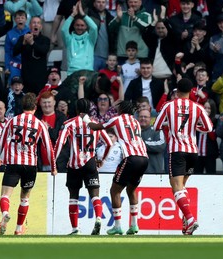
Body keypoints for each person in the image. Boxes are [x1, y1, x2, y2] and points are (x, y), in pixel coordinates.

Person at [153, 78, 213, 235]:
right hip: (193, 152)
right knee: (182, 186)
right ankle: (186, 225)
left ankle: (190, 218)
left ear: (176, 91)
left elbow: (156, 126)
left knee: (176, 186)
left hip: (177, 151)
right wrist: (194, 126)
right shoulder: (197, 107)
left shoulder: (169, 106)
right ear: (191, 91)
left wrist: (170, 125)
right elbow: (208, 127)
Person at [82, 100, 148, 235]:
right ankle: (134, 225)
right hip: (144, 158)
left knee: (114, 191)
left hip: (131, 158)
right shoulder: (135, 122)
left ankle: (118, 226)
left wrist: (86, 119)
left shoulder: (117, 119)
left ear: (122, 109)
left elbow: (96, 127)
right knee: (131, 189)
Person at [0, 93, 57, 236]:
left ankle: (5, 213)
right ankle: (18, 229)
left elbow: (1, 140)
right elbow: (48, 146)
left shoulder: (13, 121)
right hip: (30, 165)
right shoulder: (40, 123)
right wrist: (53, 167)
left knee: (5, 195)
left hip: (13, 163)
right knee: (25, 198)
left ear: (22, 106)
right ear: (35, 108)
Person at [54, 98, 113, 235]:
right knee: (95, 194)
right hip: (91, 163)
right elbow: (109, 142)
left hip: (74, 164)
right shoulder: (95, 123)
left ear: (76, 109)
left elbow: (60, 143)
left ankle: (75, 229)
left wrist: (53, 161)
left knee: (73, 196)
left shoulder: (69, 123)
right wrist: (102, 159)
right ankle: (98, 218)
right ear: (89, 109)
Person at [13, 16, 50, 95]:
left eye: (38, 23)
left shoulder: (45, 40)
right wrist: (23, 43)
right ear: (30, 26)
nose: (36, 25)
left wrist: (32, 43)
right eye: (34, 23)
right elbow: (14, 52)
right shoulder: (23, 38)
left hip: (40, 78)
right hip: (26, 78)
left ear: (41, 26)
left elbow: (44, 51)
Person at [35, 91, 69, 172]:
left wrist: (47, 130)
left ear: (54, 102)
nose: (47, 105)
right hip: (40, 163)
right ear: (40, 103)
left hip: (58, 163)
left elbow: (61, 139)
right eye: (44, 102)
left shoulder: (62, 118)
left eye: (49, 102)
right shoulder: (36, 118)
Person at [62, 0, 98, 75]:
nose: (79, 27)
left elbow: (94, 28)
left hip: (87, 72)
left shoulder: (90, 39)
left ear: (86, 27)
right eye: (77, 25)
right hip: (72, 73)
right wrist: (72, 15)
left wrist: (83, 15)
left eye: (82, 25)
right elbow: (63, 30)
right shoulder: (69, 39)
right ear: (74, 26)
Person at [88, 0, 116, 71]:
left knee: (104, 80)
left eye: (103, 2)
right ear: (94, 4)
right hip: (94, 55)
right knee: (92, 79)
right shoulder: (89, 16)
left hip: (107, 57)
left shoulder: (110, 18)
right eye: (98, 2)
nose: (101, 4)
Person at [4, 10, 29, 84]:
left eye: (22, 18)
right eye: (18, 18)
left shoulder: (30, 32)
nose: (20, 19)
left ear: (26, 20)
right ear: (15, 20)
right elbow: (7, 52)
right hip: (14, 65)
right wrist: (7, 67)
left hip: (27, 65)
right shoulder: (10, 33)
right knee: (14, 85)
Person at [194, 99, 219, 174]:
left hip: (210, 155)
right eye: (205, 108)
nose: (207, 110)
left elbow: (213, 137)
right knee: (197, 175)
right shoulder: (197, 120)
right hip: (197, 155)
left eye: (209, 108)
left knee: (211, 175)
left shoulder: (215, 121)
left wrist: (206, 122)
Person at [138, 108, 165, 174]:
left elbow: (161, 145)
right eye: (141, 116)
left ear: (150, 119)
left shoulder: (157, 130)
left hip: (155, 172)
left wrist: (141, 144)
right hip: (137, 172)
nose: (143, 118)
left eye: (145, 117)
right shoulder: (134, 132)